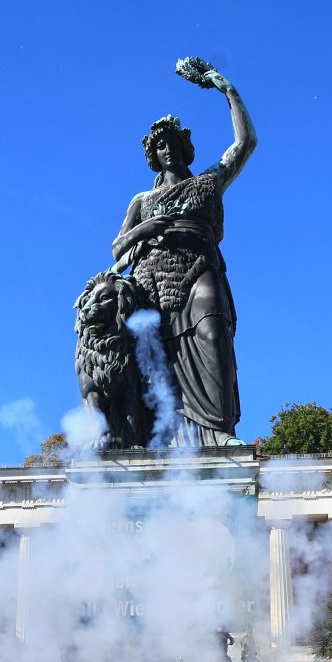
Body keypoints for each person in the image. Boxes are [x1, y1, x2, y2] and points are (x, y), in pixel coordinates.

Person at [111, 59, 256, 447]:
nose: (169, 149)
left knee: (212, 333)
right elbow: (117, 248)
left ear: (186, 148)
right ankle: (157, 437)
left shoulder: (209, 181)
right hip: (151, 277)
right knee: (154, 354)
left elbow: (245, 144)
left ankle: (217, 431)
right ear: (153, 154)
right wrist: (146, 228)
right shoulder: (142, 199)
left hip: (199, 267)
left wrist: (227, 90)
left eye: (174, 143)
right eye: (161, 145)